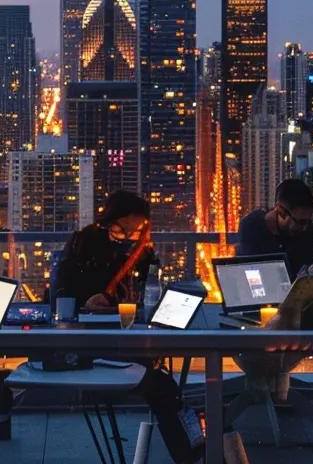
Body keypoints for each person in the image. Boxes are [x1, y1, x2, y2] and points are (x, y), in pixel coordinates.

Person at [53, 190, 202, 463]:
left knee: (163, 388)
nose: (128, 238)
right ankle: (194, 452)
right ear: (107, 222)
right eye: (121, 231)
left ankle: (196, 449)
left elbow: (149, 294)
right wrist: (86, 301)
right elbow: (59, 297)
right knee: (163, 389)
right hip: (90, 346)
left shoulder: (143, 252)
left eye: (137, 232)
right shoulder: (82, 244)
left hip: (129, 339)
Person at [236, 179, 313, 277]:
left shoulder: (309, 232)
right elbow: (247, 270)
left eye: (308, 222)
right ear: (281, 212)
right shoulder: (252, 227)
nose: (304, 228)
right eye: (300, 222)